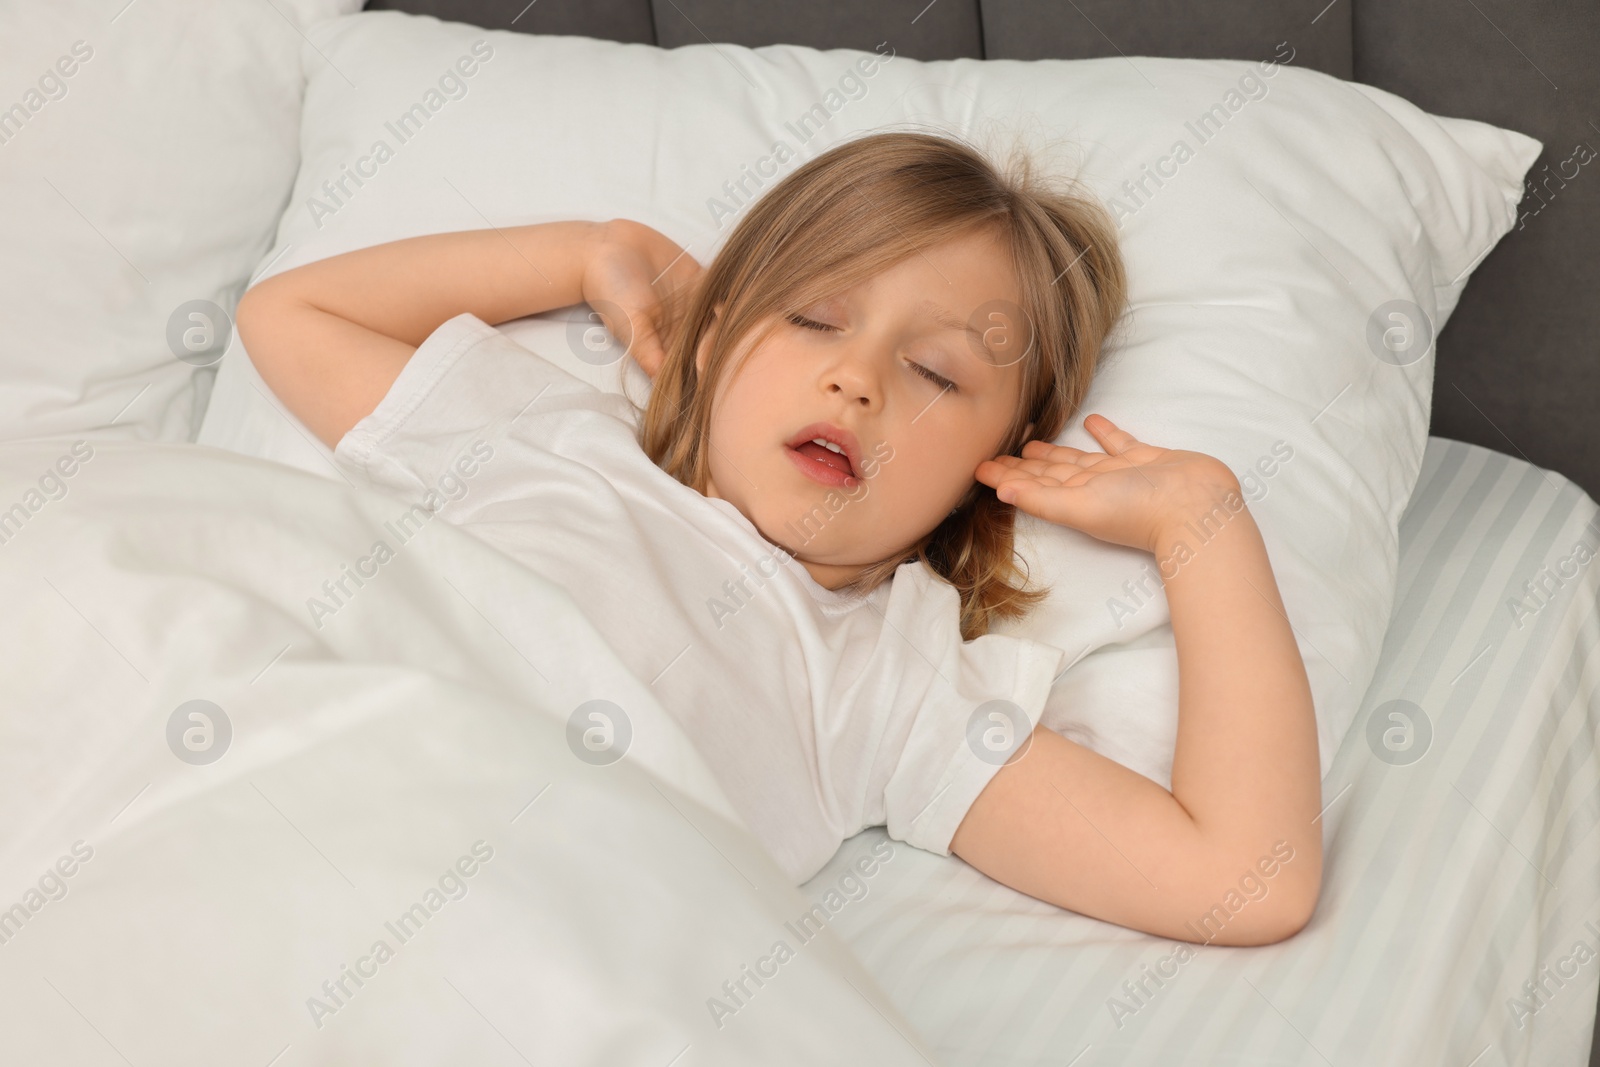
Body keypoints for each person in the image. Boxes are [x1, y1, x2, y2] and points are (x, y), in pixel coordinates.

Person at [238, 130, 1321, 945]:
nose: (856, 378)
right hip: (287, 771)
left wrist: (1205, 523)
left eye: (937, 373)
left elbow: (1247, 874)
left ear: (993, 471)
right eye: (812, 317)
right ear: (713, 335)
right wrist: (592, 252)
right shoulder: (548, 437)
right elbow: (288, 316)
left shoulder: (882, 684)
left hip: (491, 916)